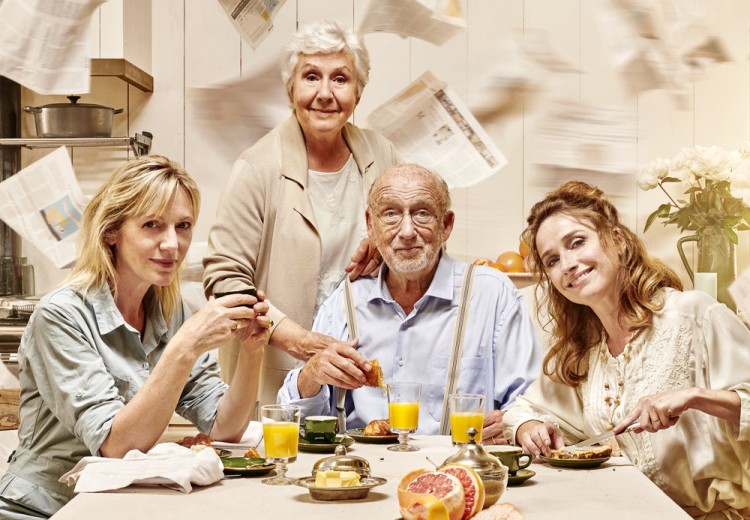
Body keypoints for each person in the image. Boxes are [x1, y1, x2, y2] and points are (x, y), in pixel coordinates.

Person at [0, 156, 270, 519]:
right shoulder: (61, 314)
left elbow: (225, 427)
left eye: (183, 225)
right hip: (43, 509)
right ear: (112, 232)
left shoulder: (169, 311)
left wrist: (252, 352)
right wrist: (185, 347)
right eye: (152, 225)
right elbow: (115, 446)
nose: (173, 243)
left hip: (115, 504)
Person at [502, 180, 750, 518]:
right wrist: (527, 428)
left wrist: (693, 396)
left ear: (616, 239)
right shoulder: (586, 349)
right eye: (552, 260)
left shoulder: (694, 313)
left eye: (577, 243)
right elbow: (524, 409)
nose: (568, 264)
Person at [203, 20, 403, 409]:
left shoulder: (385, 157)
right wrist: (298, 340)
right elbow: (225, 281)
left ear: (358, 93)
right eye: (311, 77)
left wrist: (385, 243)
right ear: (290, 90)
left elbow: (416, 234)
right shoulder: (257, 167)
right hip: (279, 378)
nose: (325, 94)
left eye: (341, 79)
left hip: (364, 378)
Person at [278, 164, 542, 438]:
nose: (406, 232)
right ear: (371, 224)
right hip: (361, 472)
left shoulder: (492, 295)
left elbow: (532, 405)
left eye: (422, 213)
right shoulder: (344, 301)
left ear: (446, 225)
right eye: (391, 214)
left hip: (457, 469)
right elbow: (295, 423)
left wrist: (517, 422)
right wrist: (311, 375)